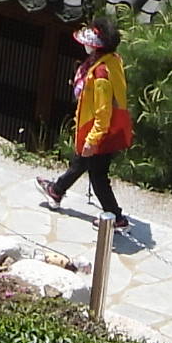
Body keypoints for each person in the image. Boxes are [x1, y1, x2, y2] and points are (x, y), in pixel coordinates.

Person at [41, 25, 129, 224]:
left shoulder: (100, 74)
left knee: (98, 176)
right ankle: (56, 190)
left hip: (100, 130)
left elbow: (103, 112)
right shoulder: (113, 61)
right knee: (82, 162)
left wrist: (93, 139)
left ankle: (116, 217)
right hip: (107, 129)